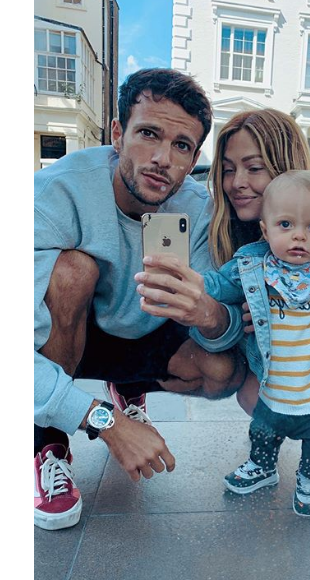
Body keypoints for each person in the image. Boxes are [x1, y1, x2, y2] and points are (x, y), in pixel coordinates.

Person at [34, 69, 248, 531]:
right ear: (117, 133)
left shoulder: (195, 208)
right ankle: (46, 444)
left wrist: (208, 313)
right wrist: (106, 422)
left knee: (222, 369)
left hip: (144, 332)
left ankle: (128, 389)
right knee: (72, 271)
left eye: (181, 146)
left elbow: (225, 341)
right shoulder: (56, 194)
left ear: (193, 160)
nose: (161, 159)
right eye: (148, 133)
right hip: (72, 336)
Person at [208, 109, 310, 511]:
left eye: (254, 167)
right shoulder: (224, 223)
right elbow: (213, 302)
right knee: (256, 401)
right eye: (229, 169)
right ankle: (270, 454)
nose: (238, 183)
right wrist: (235, 319)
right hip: (271, 358)